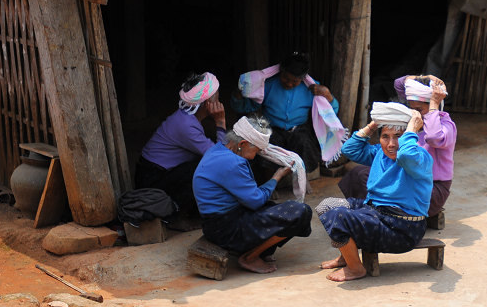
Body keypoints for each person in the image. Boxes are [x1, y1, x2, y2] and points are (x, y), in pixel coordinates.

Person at [317, 102, 432, 282]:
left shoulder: (420, 157)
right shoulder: (379, 152)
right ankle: (347, 257)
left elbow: (406, 155)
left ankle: (355, 269)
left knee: (339, 216)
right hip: (375, 213)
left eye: (399, 137)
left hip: (402, 228)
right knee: (326, 206)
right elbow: (349, 149)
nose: (392, 144)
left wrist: (411, 129)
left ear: (410, 137)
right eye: (385, 136)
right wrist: (373, 125)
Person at [192, 115, 313, 274]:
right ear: (242, 144)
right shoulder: (233, 163)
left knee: (276, 209)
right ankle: (250, 257)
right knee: (300, 212)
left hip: (216, 223)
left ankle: (262, 250)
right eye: (256, 150)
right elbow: (255, 201)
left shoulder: (218, 149)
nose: (257, 155)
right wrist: (276, 177)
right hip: (225, 229)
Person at [338, 74, 456, 224]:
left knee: (393, 189)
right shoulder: (399, 132)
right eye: (411, 109)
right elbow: (400, 84)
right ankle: (373, 214)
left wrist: (433, 104)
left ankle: (395, 219)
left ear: (435, 104)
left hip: (431, 189)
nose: (415, 115)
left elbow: (433, 137)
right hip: (405, 178)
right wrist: (424, 76)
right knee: (360, 174)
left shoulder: (445, 126)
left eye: (419, 109)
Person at [232, 52, 342, 175]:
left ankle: (300, 178)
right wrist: (239, 94)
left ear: (303, 78)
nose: (289, 83)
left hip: (299, 129)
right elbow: (247, 107)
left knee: (305, 145)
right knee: (266, 150)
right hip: (271, 128)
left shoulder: (313, 88)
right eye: (286, 78)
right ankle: (272, 183)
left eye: (295, 81)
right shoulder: (267, 85)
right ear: (281, 72)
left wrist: (327, 94)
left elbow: (332, 111)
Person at [135, 72, 227, 216]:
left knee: (203, 163)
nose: (219, 101)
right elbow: (221, 157)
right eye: (217, 97)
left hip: (154, 174)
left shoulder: (187, 119)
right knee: (207, 167)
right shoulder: (186, 126)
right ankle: (177, 215)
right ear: (208, 103)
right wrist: (221, 123)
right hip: (152, 180)